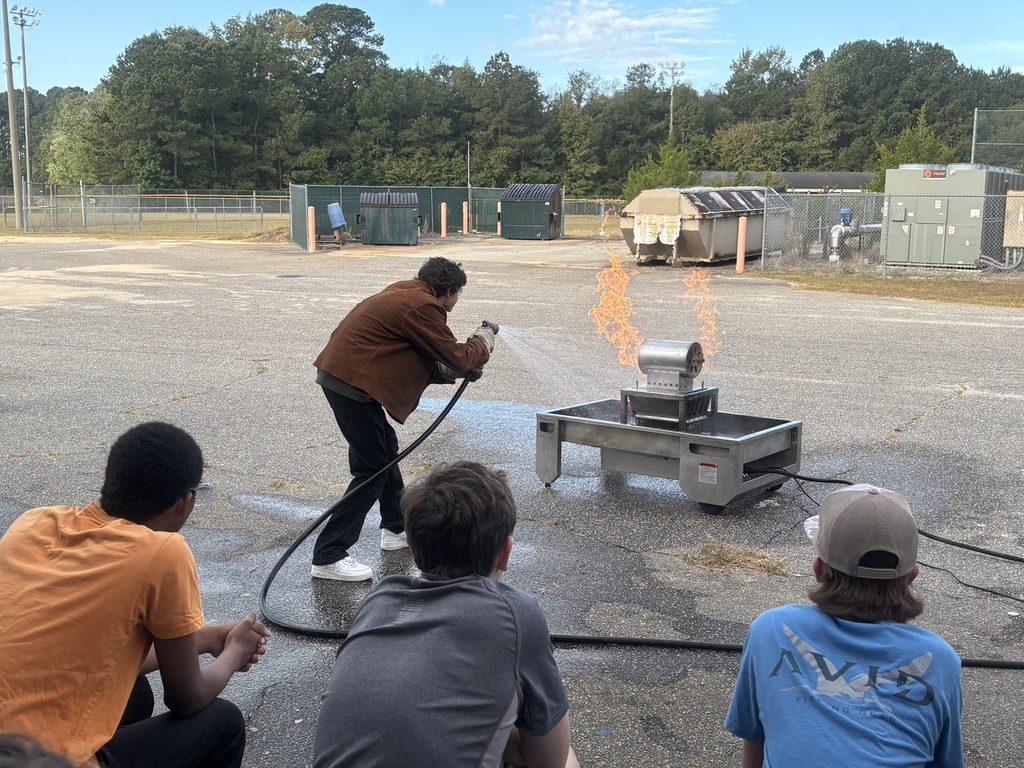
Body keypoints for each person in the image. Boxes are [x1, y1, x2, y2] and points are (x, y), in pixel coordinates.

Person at [0, 422, 271, 768]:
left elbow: (93, 653)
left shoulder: (33, 523)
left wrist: (203, 640)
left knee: (133, 690)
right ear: (184, 502)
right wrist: (235, 652)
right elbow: (186, 699)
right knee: (224, 723)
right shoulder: (162, 551)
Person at [312, 461, 580, 768]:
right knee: (565, 759)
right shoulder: (518, 614)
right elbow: (549, 761)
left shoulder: (380, 599)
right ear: (505, 554)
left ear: (411, 545)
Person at [724, 484, 963, 768]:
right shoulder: (940, 658)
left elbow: (755, 736)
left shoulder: (772, 628)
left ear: (818, 568)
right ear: (912, 576)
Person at [310, 256, 496, 582]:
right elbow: (457, 355)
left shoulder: (405, 293)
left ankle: (396, 528)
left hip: (347, 380)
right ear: (449, 290)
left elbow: (415, 356)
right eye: (457, 294)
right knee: (372, 471)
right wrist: (483, 338)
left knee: (384, 452)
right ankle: (329, 554)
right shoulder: (422, 306)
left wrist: (457, 368)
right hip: (351, 386)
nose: (456, 301)